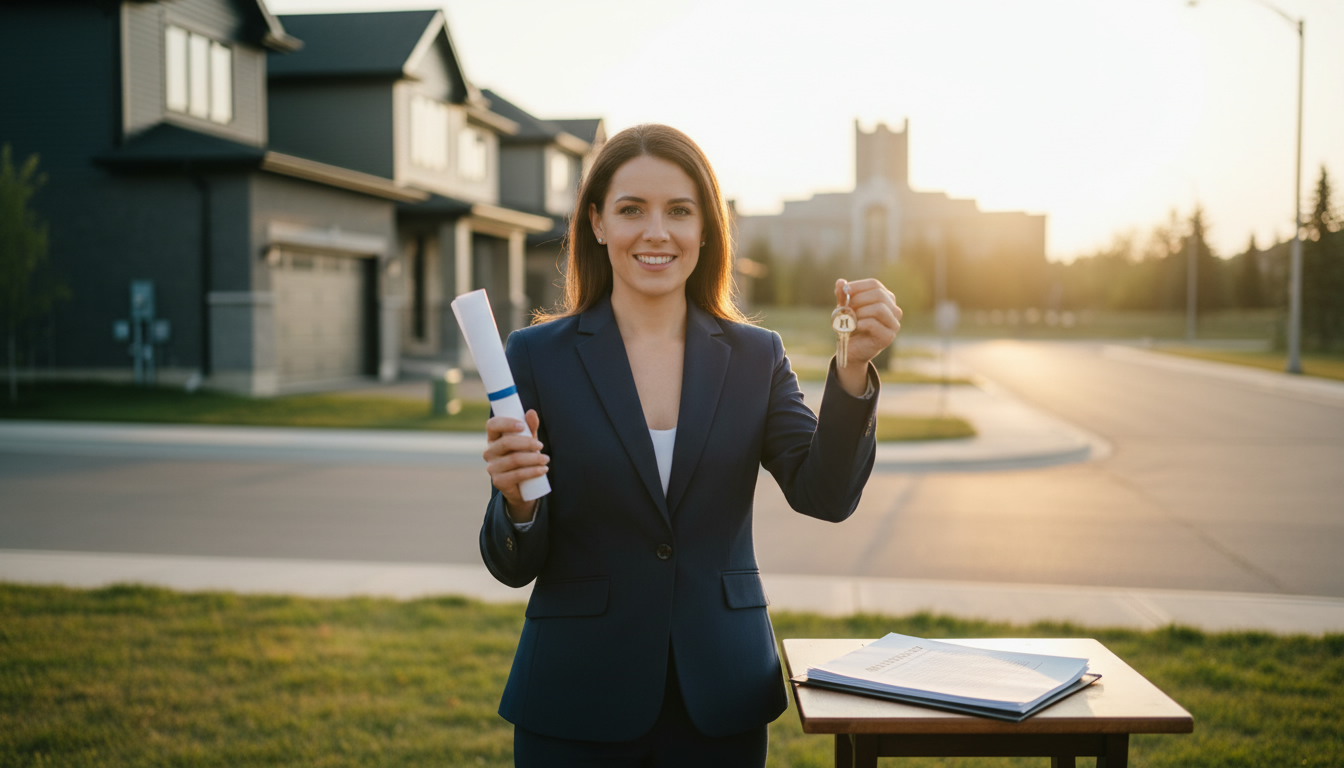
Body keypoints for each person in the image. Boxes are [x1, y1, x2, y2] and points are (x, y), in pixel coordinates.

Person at [479, 123, 901, 766]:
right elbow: (514, 564)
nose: (656, 231)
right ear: (596, 223)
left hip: (721, 696)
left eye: (679, 210)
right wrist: (517, 504)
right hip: (575, 695)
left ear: (706, 229)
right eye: (631, 210)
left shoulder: (757, 356)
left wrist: (851, 369)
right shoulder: (535, 356)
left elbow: (827, 495)